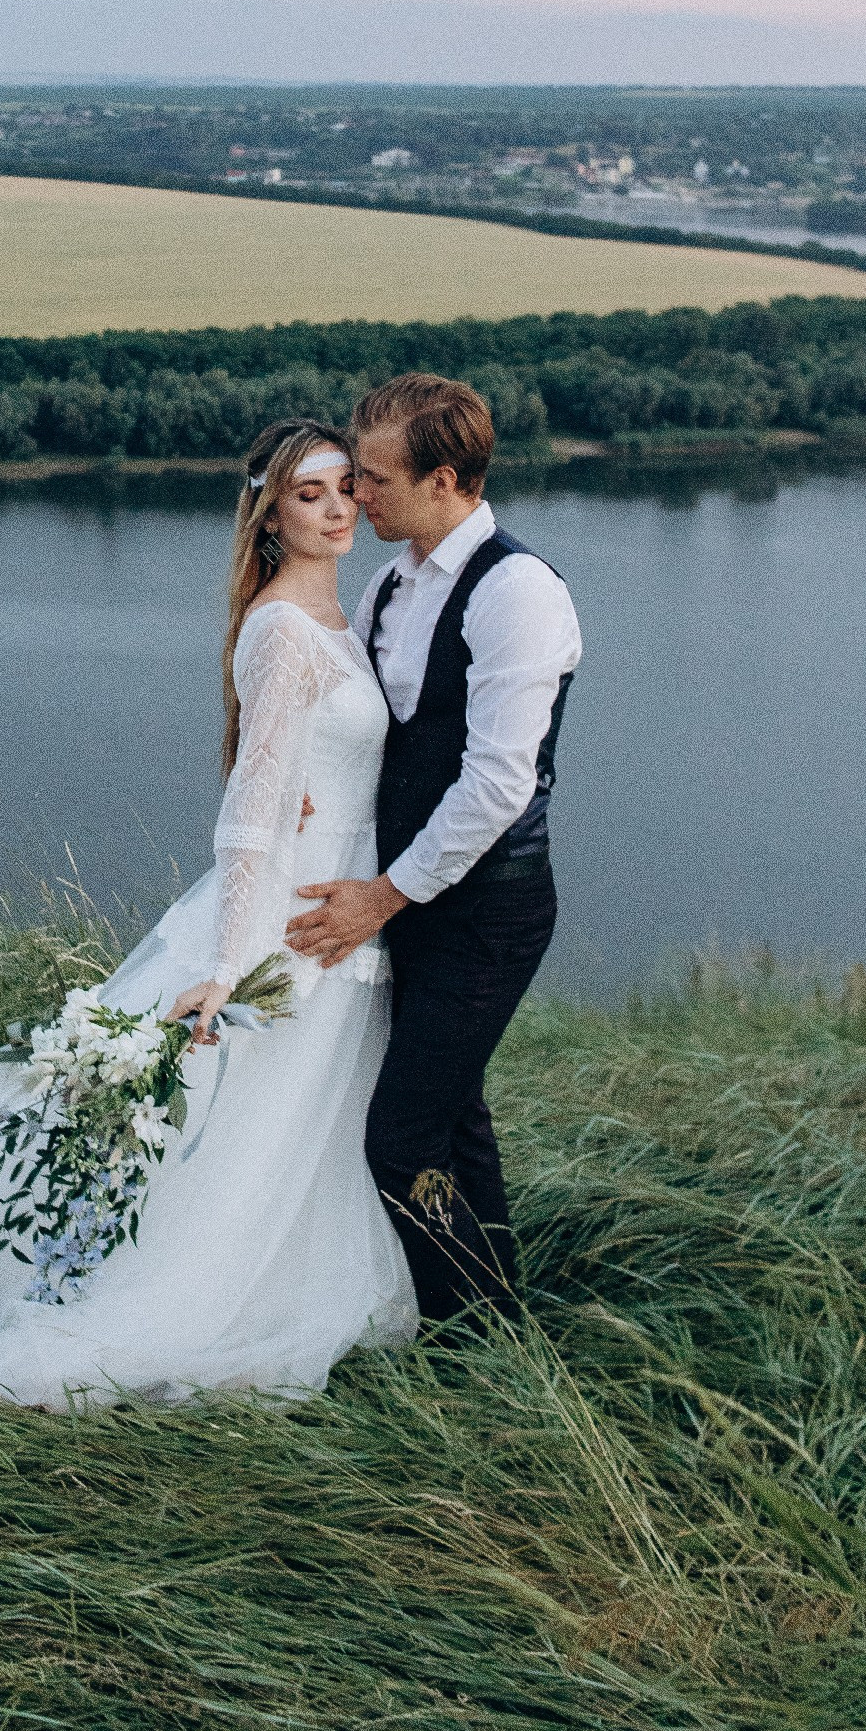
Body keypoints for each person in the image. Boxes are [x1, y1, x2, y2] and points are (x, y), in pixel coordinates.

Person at [0, 418, 417, 1408]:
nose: (335, 509)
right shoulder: (283, 629)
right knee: (239, 1124)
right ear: (267, 516)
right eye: (307, 494)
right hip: (292, 915)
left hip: (342, 898)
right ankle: (156, 1288)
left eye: (341, 488)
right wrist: (232, 966)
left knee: (300, 1122)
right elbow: (245, 821)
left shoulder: (338, 617)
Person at [286, 375, 581, 1330]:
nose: (355, 496)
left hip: (487, 913)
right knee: (455, 1123)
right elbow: (378, 733)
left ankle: (461, 1326)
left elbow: (499, 785)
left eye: (373, 479)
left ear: (445, 479)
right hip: (413, 903)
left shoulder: (518, 593)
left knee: (401, 1140)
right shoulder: (392, 580)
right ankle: (499, 1327)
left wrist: (381, 898)